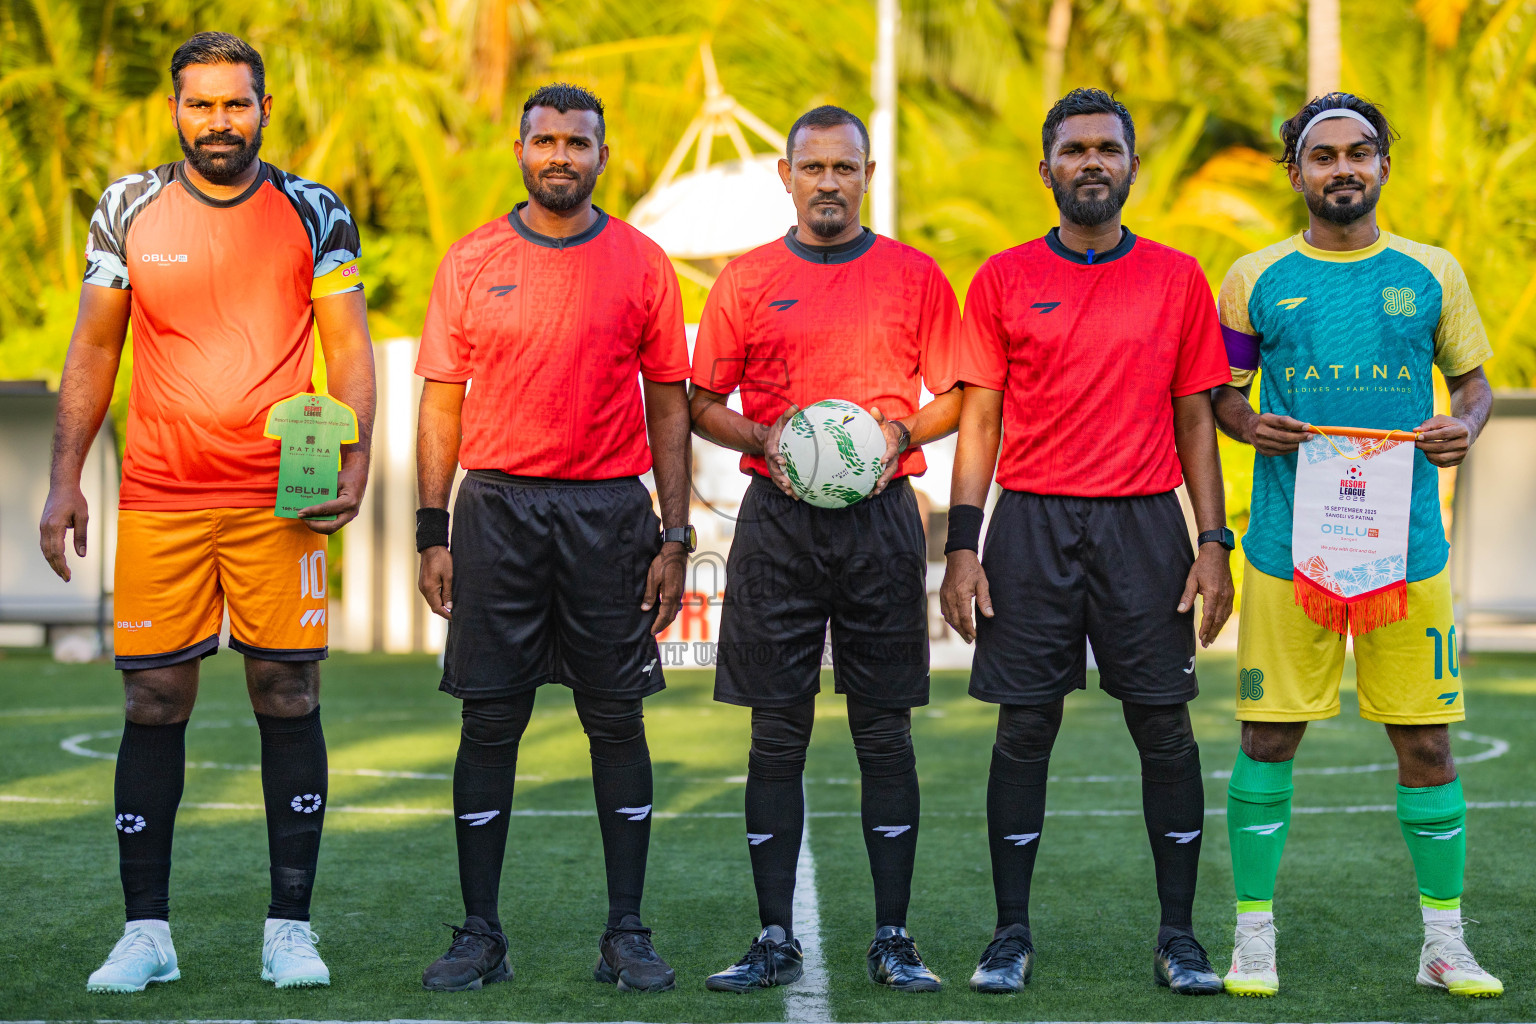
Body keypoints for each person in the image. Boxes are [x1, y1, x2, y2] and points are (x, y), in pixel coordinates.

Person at [39, 31, 375, 993]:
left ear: (265, 108)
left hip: (282, 496)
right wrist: (67, 479)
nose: (217, 122)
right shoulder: (126, 208)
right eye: (200, 104)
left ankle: (289, 928)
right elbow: (94, 351)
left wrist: (353, 457)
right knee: (154, 700)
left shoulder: (316, 209)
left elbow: (349, 351)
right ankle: (147, 933)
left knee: (287, 693)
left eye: (235, 104)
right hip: (159, 497)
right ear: (176, 109)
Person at [940, 88, 1234, 996]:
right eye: (1075, 150)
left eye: (1109, 148)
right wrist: (962, 545)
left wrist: (1213, 542)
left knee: (1163, 728)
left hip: (1146, 525)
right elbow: (979, 421)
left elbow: (1196, 420)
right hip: (1030, 524)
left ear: (1133, 166)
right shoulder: (999, 279)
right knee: (1025, 727)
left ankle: (1179, 936)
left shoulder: (1180, 277)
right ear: (1048, 170)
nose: (1092, 162)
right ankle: (1009, 935)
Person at [1213, 93, 1501, 999]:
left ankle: (1444, 945)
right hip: (1285, 550)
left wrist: (1466, 425)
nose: (1344, 168)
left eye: (1361, 152)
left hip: (1409, 549)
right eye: (1323, 155)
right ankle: (1253, 940)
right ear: (1295, 172)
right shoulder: (1254, 276)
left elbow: (1475, 384)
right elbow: (1220, 390)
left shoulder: (1433, 272)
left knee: (1427, 748)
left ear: (1383, 166)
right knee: (1267, 738)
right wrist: (1248, 421)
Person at [413, 83, 692, 994]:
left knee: (615, 718)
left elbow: (669, 407)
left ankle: (627, 933)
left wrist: (675, 535)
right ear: (520, 147)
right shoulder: (470, 259)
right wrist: (432, 527)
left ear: (604, 155)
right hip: (496, 509)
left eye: (578, 141)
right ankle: (480, 934)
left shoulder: (645, 264)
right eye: (546, 140)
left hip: (610, 514)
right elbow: (441, 402)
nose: (561, 154)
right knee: (490, 718)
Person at [691, 105, 961, 994]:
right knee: (778, 733)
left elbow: (959, 395)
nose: (829, 183)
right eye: (813, 168)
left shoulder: (915, 277)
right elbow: (700, 402)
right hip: (778, 520)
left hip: (883, 518)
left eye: (845, 168)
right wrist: (765, 439)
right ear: (787, 174)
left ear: (867, 174)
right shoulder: (746, 280)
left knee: (884, 733)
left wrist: (897, 433)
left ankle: (894, 937)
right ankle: (774, 936)